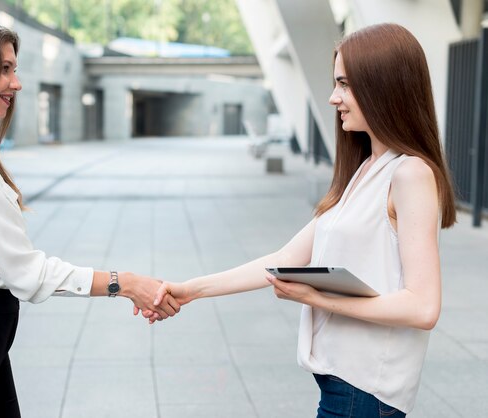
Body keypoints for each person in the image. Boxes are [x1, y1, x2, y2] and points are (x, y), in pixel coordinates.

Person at [149, 23, 456, 417]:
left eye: (345, 84)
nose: (333, 98)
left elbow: (423, 307)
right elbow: (282, 258)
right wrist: (191, 290)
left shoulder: (410, 173)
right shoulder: (366, 170)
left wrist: (317, 297)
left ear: (382, 85)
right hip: (342, 385)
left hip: (364, 391)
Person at [0, 15, 179, 418]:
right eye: (4, 69)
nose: (16, 83)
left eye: (15, 69)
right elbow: (26, 273)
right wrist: (123, 283)